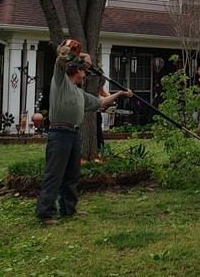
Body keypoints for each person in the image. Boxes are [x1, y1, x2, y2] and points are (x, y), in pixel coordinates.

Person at [36, 40, 133, 226]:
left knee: (72, 174)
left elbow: (101, 103)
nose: (85, 76)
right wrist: (83, 56)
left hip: (74, 134)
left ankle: (68, 209)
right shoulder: (60, 81)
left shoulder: (80, 93)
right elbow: (62, 54)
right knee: (54, 174)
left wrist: (120, 94)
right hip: (59, 133)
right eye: (83, 72)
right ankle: (45, 213)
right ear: (76, 70)